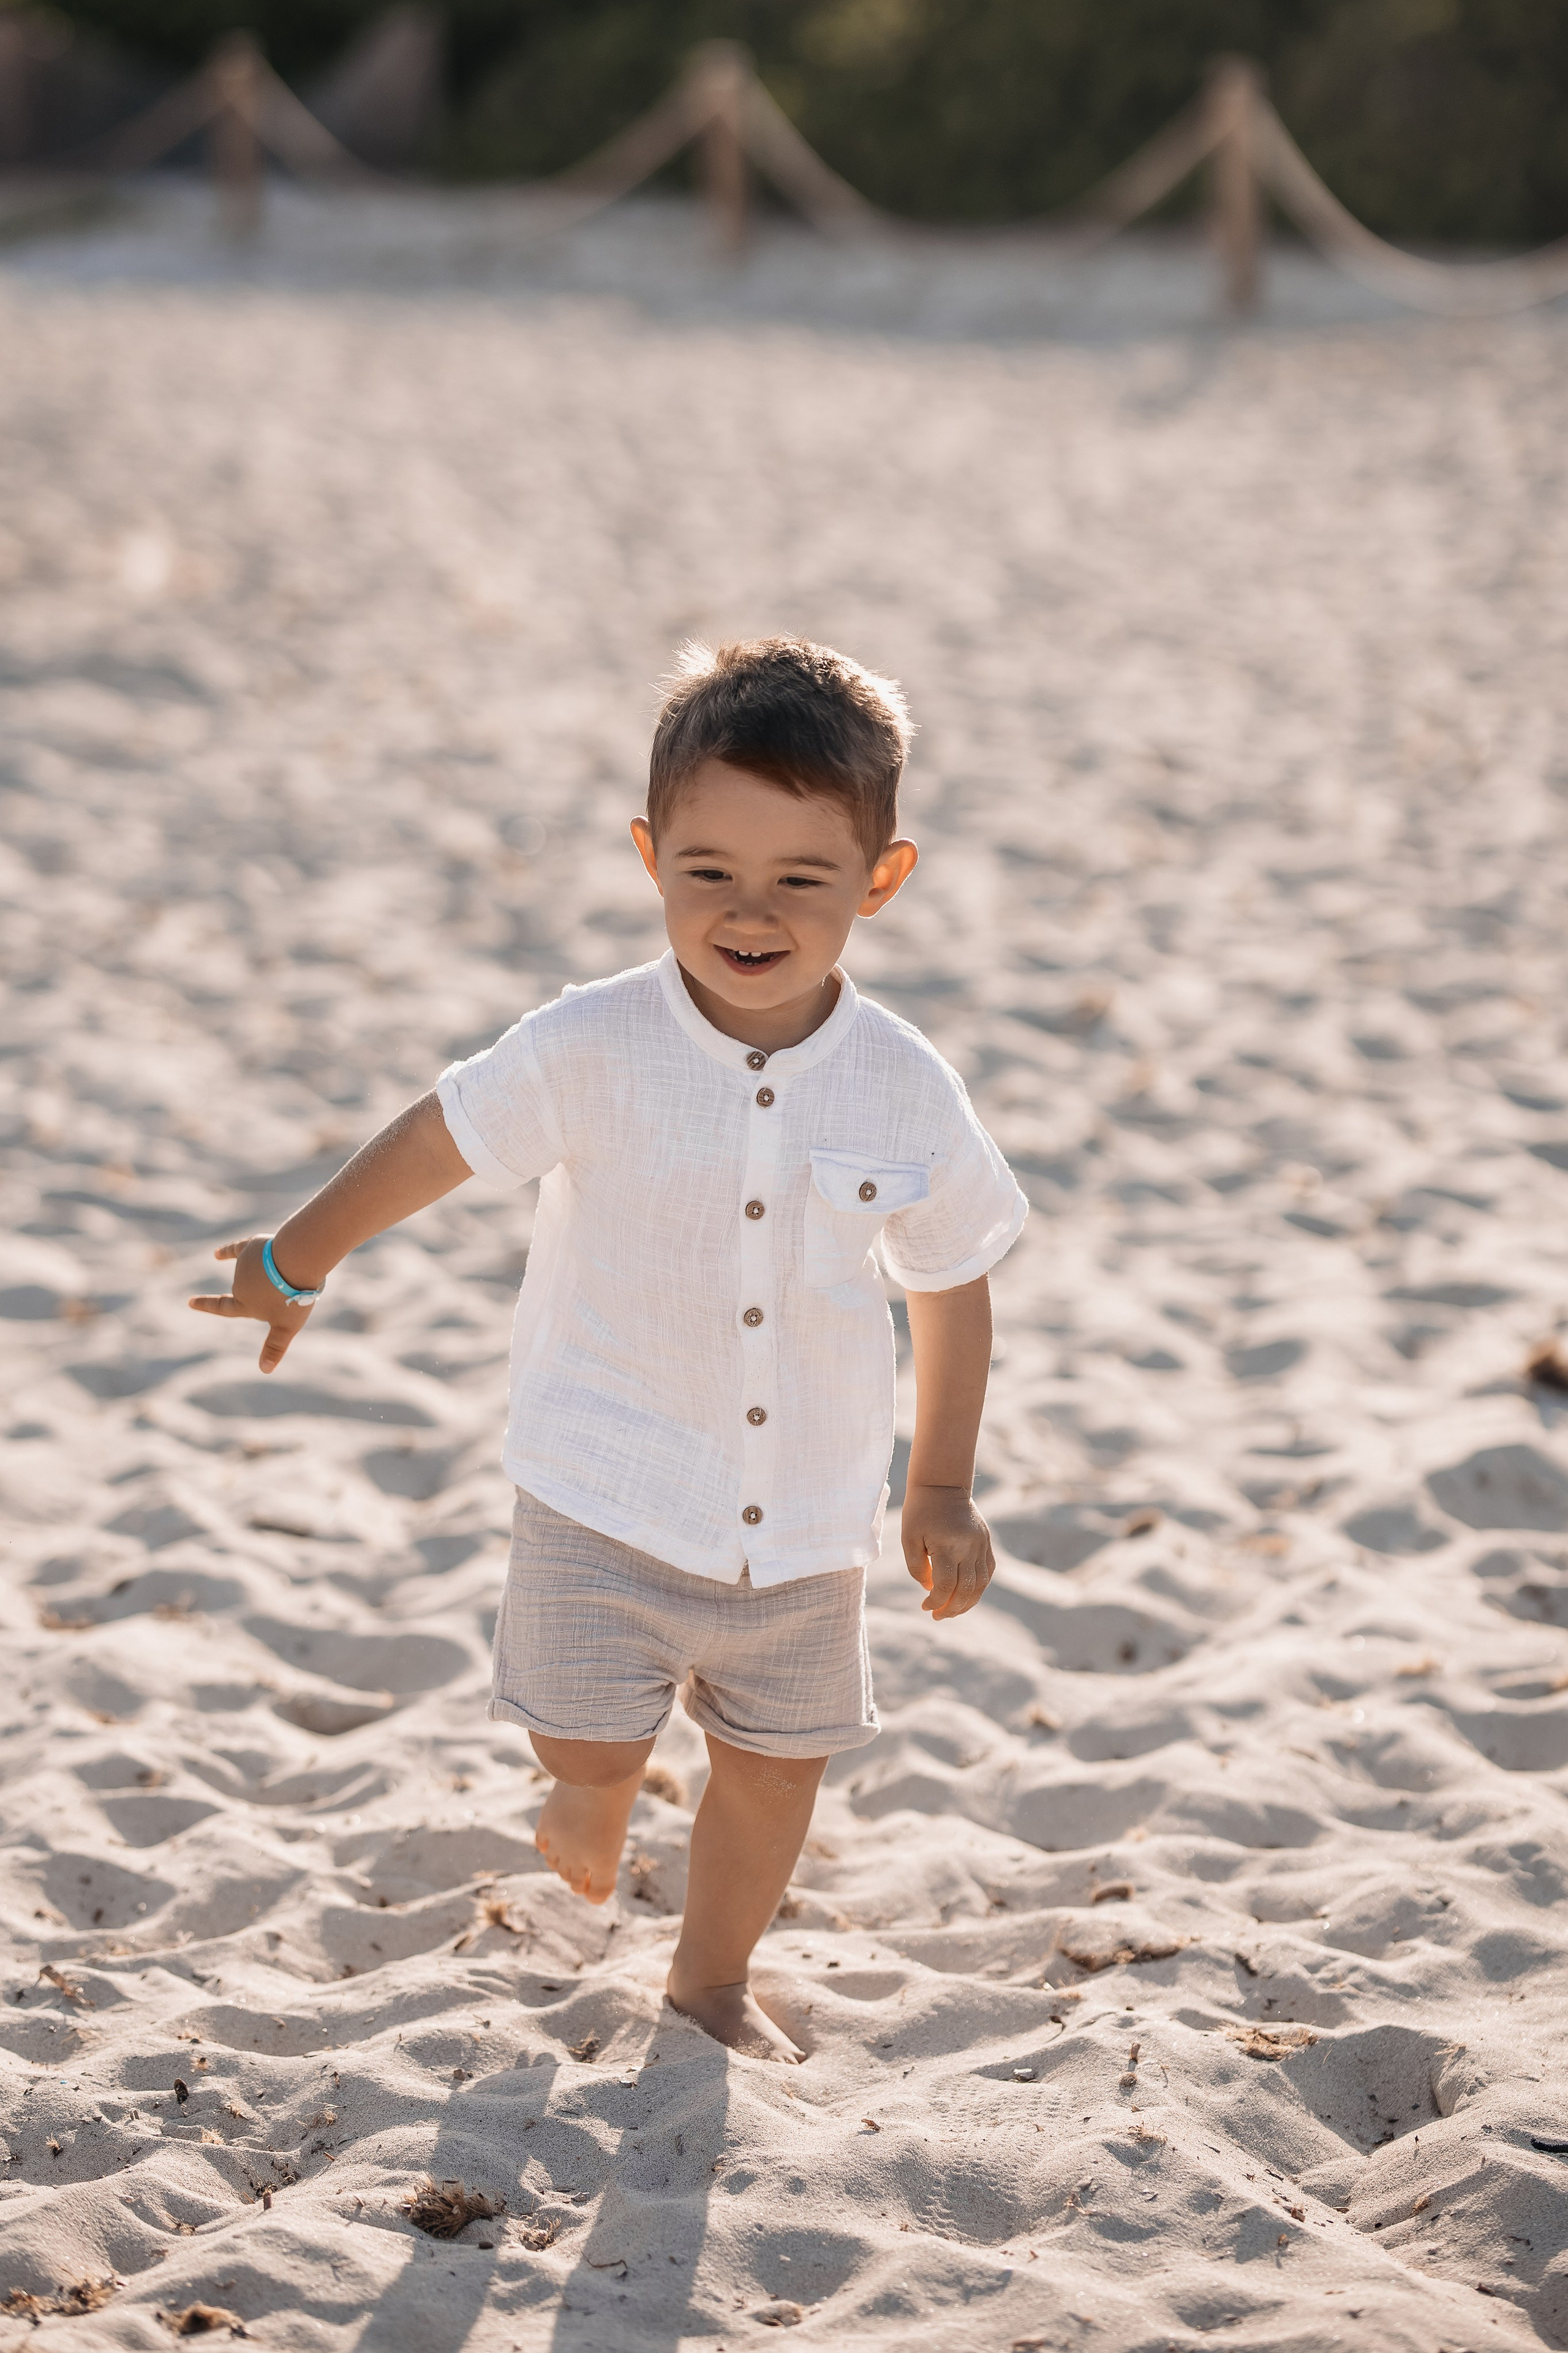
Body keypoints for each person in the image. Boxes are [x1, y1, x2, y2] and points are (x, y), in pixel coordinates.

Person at [190, 636, 1027, 2062]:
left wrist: (934, 1487)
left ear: (878, 880)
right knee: (586, 1728)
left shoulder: (901, 1084)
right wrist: (295, 1257)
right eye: (708, 872)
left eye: (799, 880)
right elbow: (437, 1139)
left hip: (804, 1524)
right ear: (650, 858)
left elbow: (948, 1283)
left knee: (775, 1775)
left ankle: (708, 1980)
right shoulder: (591, 1044)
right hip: (606, 1483)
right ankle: (592, 1786)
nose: (747, 911)